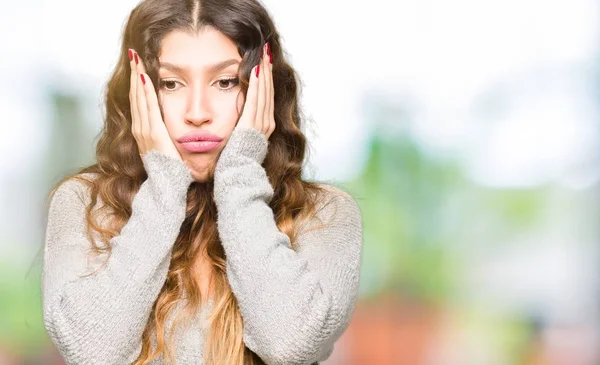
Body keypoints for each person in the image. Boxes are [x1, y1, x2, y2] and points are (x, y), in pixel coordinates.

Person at [41, 0, 363, 364]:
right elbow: (92, 350)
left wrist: (240, 172)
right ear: (139, 91)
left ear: (265, 87)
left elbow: (290, 345)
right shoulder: (84, 204)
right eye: (171, 83)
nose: (197, 113)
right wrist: (164, 182)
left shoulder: (324, 216)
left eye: (225, 82)